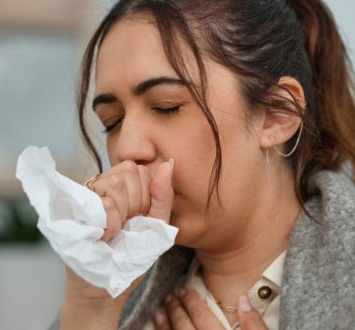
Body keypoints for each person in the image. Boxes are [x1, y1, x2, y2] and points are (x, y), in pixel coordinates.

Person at [52, 0, 355, 329]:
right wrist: (90, 310)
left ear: (276, 114)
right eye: (112, 122)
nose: (126, 148)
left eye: (167, 107)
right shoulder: (114, 296)